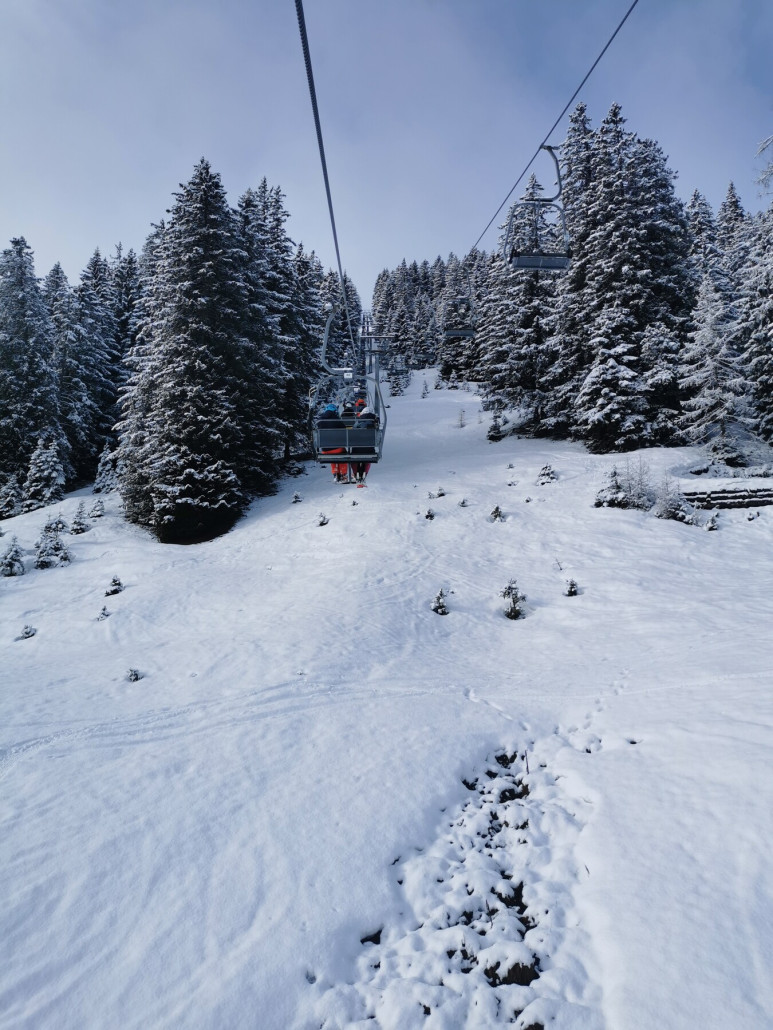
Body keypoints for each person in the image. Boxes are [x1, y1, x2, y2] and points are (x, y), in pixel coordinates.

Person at [317, 404, 349, 481]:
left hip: (325, 450)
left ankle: (335, 474)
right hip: (338, 448)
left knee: (332, 457)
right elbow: (344, 430)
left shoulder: (320, 421)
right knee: (342, 455)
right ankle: (343, 473)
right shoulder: (337, 420)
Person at [351, 405, 377, 483]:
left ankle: (356, 474)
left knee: (355, 459)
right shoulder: (374, 422)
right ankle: (364, 474)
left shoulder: (358, 421)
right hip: (369, 449)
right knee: (367, 459)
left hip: (357, 449)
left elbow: (353, 432)